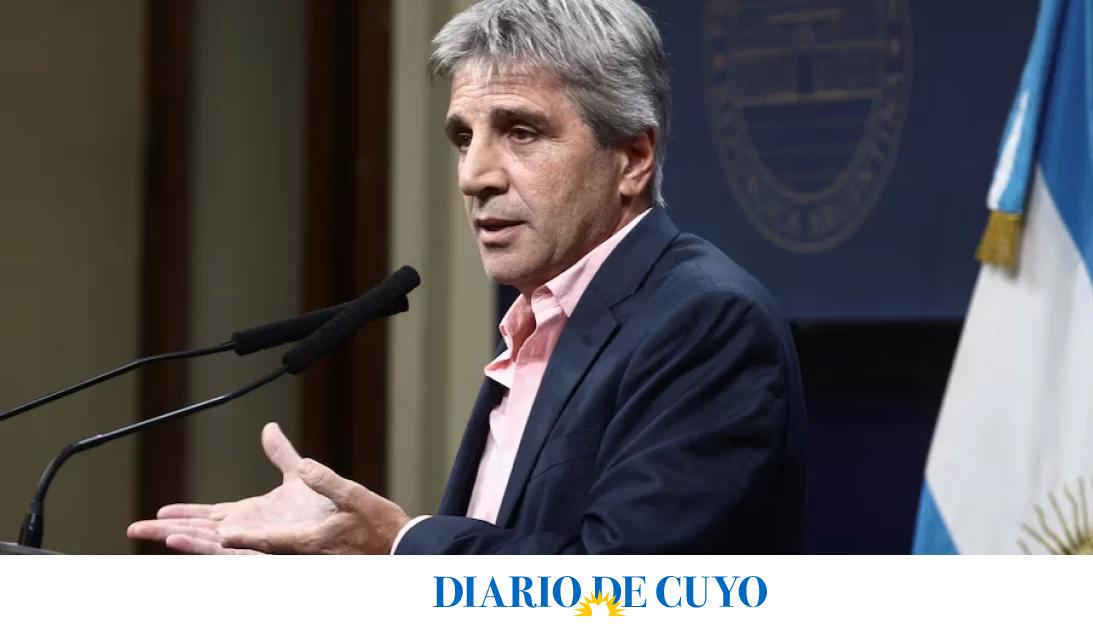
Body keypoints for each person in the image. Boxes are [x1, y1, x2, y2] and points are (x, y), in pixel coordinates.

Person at [127, 0, 806, 554]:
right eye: (463, 137)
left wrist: (398, 546)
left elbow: (621, 595)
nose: (474, 176)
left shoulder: (705, 322)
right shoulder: (541, 319)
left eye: (521, 132)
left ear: (632, 157)